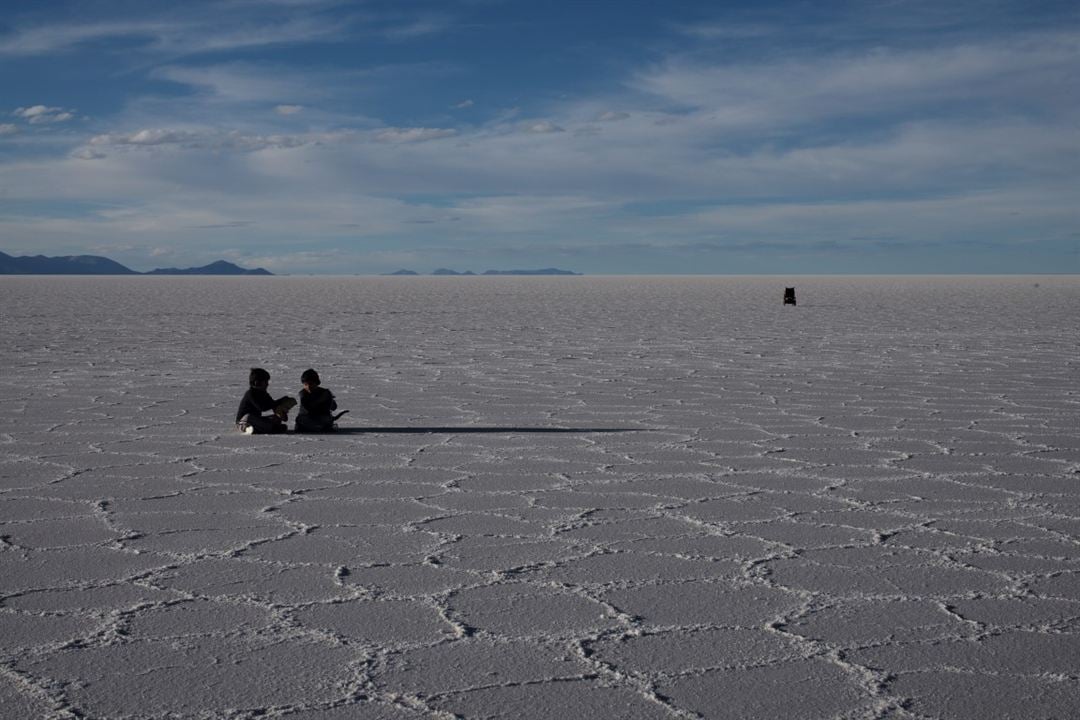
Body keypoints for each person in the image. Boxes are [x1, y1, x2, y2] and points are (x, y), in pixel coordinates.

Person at [236, 368, 293, 434]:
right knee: (249, 417)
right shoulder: (251, 394)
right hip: (244, 422)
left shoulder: (264, 394)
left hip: (257, 421)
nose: (267, 384)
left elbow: (272, 405)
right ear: (257, 382)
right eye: (265, 382)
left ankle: (258, 429)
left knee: (275, 418)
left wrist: (281, 412)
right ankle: (256, 428)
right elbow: (262, 407)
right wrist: (279, 401)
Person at [294, 368, 338, 433]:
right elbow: (308, 409)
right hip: (307, 418)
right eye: (306, 384)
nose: (308, 387)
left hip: (321, 418)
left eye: (310, 384)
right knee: (301, 419)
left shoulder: (325, 392)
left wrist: (329, 399)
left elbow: (333, 407)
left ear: (316, 383)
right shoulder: (303, 394)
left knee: (325, 419)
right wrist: (320, 400)